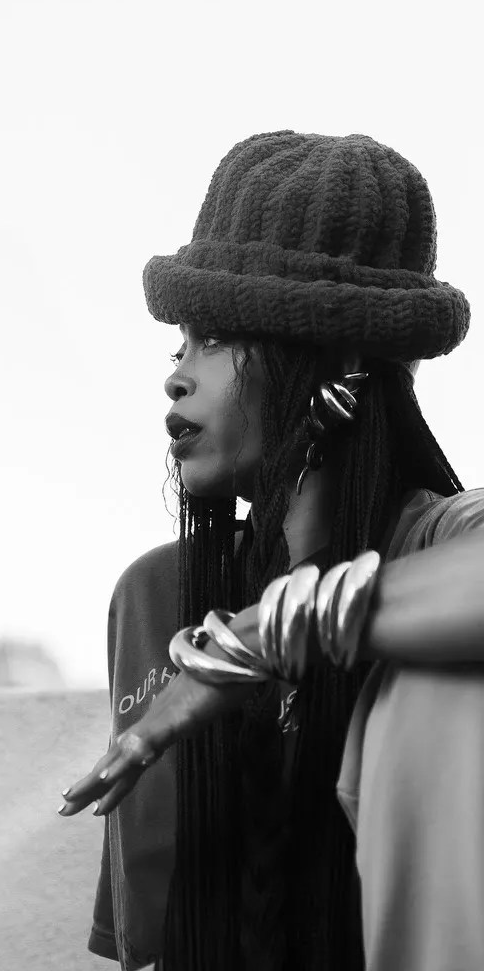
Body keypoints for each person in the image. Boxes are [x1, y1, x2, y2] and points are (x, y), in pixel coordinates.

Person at [58, 131, 483, 971]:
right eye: (178, 341)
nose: (176, 375)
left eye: (214, 336)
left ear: (338, 358)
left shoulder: (442, 539)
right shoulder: (153, 599)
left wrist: (245, 644)